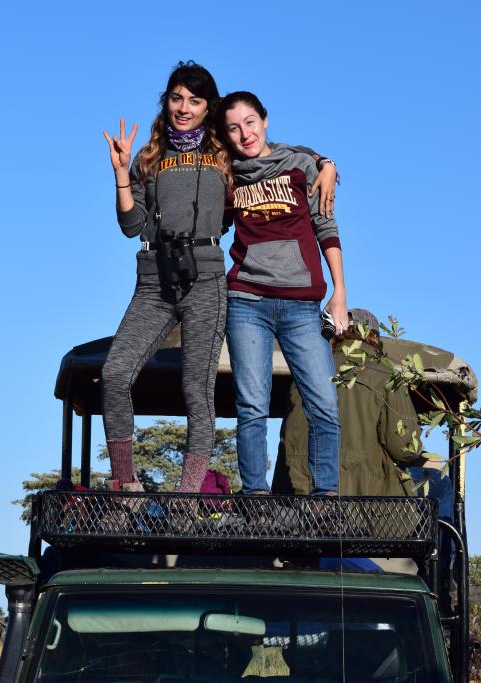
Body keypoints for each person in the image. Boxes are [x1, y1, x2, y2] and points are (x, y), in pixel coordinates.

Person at [100, 65, 336, 492]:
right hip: (154, 278)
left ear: (208, 107)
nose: (184, 108)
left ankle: (188, 497)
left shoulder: (224, 152)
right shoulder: (150, 156)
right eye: (176, 98)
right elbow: (131, 225)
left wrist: (326, 162)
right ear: (166, 101)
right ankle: (124, 483)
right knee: (115, 373)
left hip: (207, 278)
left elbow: (278, 149)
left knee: (197, 388)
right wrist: (120, 175)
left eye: (194, 100)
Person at [215, 91, 347, 496]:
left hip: (302, 305)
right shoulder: (226, 174)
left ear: (265, 121)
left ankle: (325, 498)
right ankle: (256, 496)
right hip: (246, 301)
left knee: (323, 404)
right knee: (252, 406)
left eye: (250, 122)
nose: (244, 133)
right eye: (234, 127)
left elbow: (326, 227)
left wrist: (339, 292)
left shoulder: (300, 164)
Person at [272, 308, 424, 496]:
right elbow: (405, 448)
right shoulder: (385, 374)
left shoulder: (304, 370)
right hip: (362, 501)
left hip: (292, 498)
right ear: (374, 337)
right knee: (441, 484)